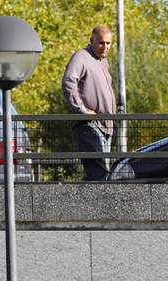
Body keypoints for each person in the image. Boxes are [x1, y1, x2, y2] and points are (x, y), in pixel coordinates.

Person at [61, 25, 116, 181]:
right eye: (101, 42)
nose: (105, 46)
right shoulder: (81, 57)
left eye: (108, 43)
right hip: (89, 126)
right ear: (91, 40)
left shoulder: (103, 62)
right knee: (100, 176)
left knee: (99, 176)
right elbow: (68, 82)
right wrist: (81, 110)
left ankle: (84, 204)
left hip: (105, 127)